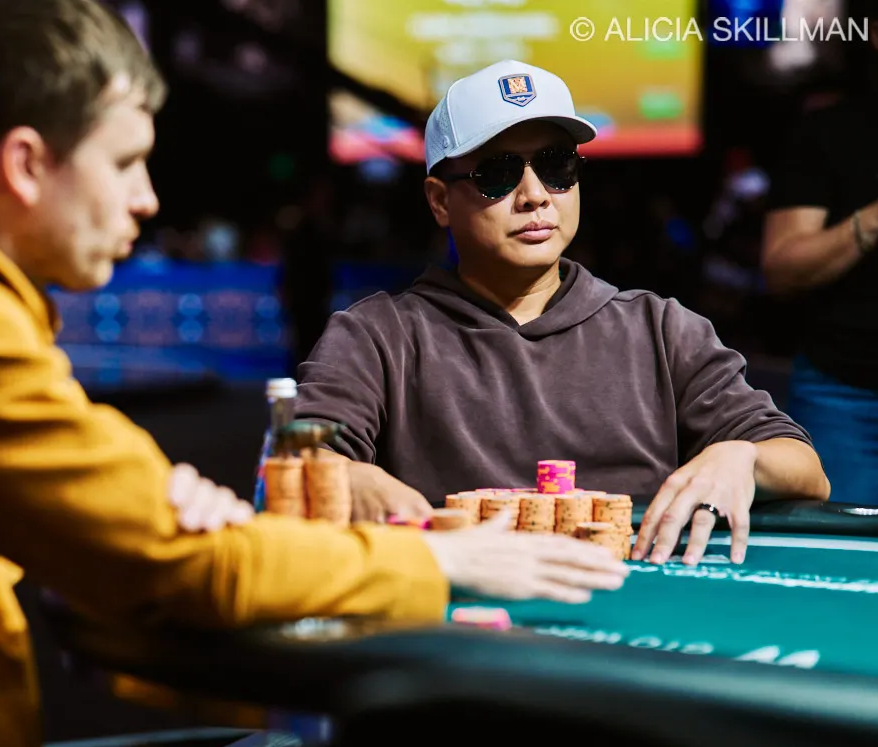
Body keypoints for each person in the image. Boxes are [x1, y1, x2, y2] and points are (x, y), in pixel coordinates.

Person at [0, 6, 628, 747]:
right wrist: (442, 561)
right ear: (25, 164)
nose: (145, 199)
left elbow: (133, 529)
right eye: (126, 161)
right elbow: (173, 567)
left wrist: (152, 512)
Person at [294, 59, 830, 569]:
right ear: (439, 201)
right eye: (498, 174)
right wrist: (345, 475)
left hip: (635, 611)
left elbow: (805, 469)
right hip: (456, 612)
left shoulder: (660, 328)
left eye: (556, 167)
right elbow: (301, 460)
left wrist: (740, 457)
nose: (534, 196)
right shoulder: (376, 336)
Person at [760, 14, 878, 506]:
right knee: (834, 545)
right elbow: (781, 268)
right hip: (848, 395)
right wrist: (874, 218)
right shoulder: (830, 133)